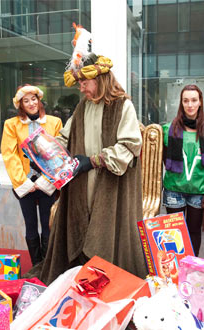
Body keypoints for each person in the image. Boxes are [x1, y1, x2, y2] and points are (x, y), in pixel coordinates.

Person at [30, 28, 147, 284]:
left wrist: (92, 160)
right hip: (83, 184)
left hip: (110, 186)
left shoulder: (122, 105)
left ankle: (109, 286)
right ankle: (83, 283)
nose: (81, 87)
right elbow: (64, 137)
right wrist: (42, 152)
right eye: (79, 82)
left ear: (100, 78)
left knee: (105, 237)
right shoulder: (83, 106)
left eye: (85, 81)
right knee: (82, 233)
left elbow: (128, 147)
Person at [1, 85, 62, 266]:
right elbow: (9, 155)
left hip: (48, 181)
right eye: (26, 101)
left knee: (48, 224)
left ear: (39, 99)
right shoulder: (11, 125)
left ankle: (47, 265)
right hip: (25, 182)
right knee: (30, 225)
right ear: (20, 104)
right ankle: (36, 265)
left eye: (33, 99)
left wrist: (47, 180)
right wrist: (23, 181)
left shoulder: (54, 122)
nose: (31, 103)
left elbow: (59, 152)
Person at [163, 85, 204, 256]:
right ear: (181, 103)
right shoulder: (167, 130)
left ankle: (191, 270)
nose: (190, 104)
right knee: (174, 236)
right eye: (186, 100)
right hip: (174, 189)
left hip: (199, 190)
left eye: (193, 100)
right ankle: (175, 272)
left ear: (200, 102)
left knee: (194, 233)